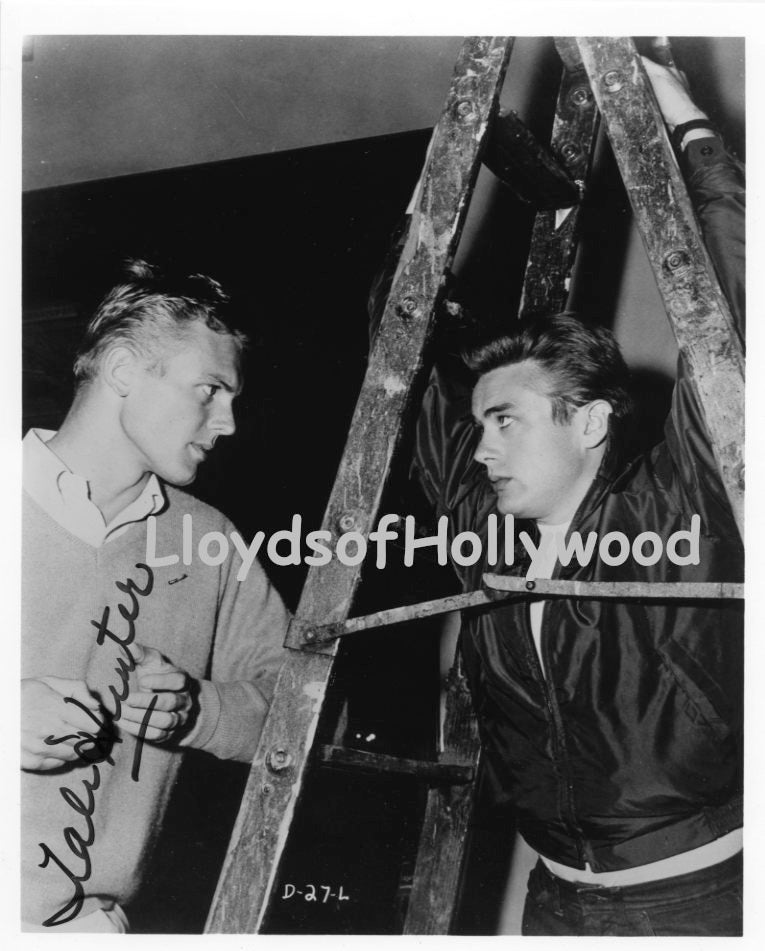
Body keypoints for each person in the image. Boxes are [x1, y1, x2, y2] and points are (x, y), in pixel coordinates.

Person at [371, 59, 744, 935]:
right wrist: (436, 190)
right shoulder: (483, 527)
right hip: (554, 901)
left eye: (505, 420)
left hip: (699, 898)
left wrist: (684, 121)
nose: (481, 447)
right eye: (479, 424)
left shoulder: (676, 507)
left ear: (590, 422)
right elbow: (397, 336)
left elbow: (735, 310)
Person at [21, 261, 291, 931]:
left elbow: (305, 710)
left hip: (85, 925)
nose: (227, 422)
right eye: (209, 389)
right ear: (121, 369)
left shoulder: (211, 542)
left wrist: (198, 708)